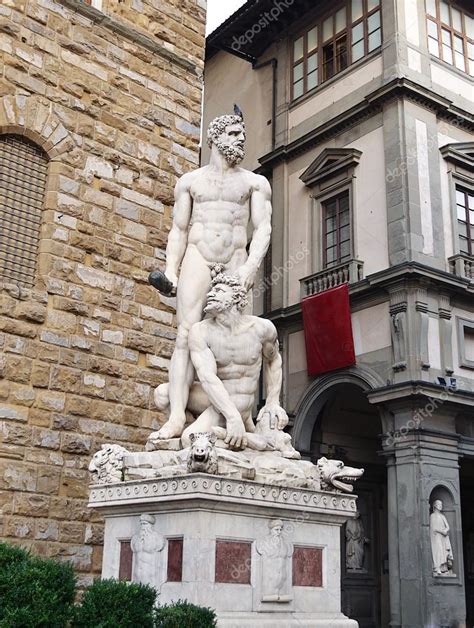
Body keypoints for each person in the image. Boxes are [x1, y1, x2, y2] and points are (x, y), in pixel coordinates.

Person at [155, 111, 272, 441]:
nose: (241, 139)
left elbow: (263, 228)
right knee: (184, 334)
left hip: (236, 259)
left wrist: (250, 269)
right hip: (198, 257)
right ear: (215, 137)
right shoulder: (191, 182)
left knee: (233, 338)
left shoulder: (254, 183)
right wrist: (170, 270)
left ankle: (228, 413)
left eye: (243, 134)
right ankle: (177, 416)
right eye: (234, 133)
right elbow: (178, 230)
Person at [130, 514, 164, 584]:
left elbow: (154, 548)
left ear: (150, 525)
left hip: (150, 574)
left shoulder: (157, 538)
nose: (142, 527)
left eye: (145, 524)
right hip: (137, 574)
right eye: (141, 524)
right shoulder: (135, 538)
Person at [430, 500, 454, 576]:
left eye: (441, 504)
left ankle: (444, 568)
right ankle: (437, 567)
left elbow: (448, 527)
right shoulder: (432, 516)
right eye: (439, 504)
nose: (441, 506)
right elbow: (433, 528)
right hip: (436, 536)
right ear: (435, 506)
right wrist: (442, 531)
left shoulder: (442, 516)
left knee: (443, 552)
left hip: (443, 537)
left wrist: (445, 531)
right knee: (438, 550)